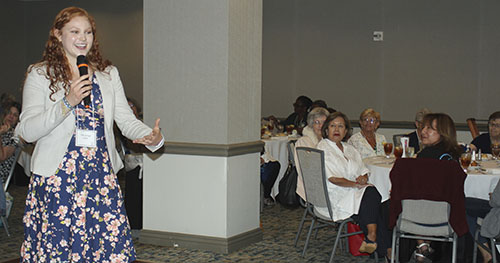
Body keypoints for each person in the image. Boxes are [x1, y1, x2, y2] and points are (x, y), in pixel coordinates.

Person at [15, 7, 164, 262]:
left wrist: (151, 137)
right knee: (59, 252)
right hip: (57, 180)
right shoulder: (40, 74)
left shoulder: (108, 74)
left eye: (88, 32)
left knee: (106, 251)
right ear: (57, 34)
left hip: (100, 178)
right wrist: (67, 102)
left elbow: (126, 120)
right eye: (74, 31)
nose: (83, 37)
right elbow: (26, 131)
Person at [316, 112, 391, 258]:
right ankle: (379, 243)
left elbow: (362, 169)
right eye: (333, 126)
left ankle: (376, 241)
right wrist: (356, 185)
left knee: (375, 202)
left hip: (353, 191)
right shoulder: (323, 147)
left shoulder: (349, 148)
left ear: (345, 131)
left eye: (341, 126)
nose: (336, 130)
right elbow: (334, 179)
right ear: (326, 130)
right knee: (373, 196)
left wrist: (363, 177)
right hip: (336, 194)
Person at [412, 113, 463, 262]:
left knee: (385, 206)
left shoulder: (426, 155)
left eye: (430, 129)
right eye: (423, 127)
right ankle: (423, 246)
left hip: (423, 212)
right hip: (449, 212)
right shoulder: (454, 154)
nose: (423, 132)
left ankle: (414, 247)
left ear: (443, 132)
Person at [293, 107, 329, 200]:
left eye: (324, 122)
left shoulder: (329, 141)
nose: (321, 125)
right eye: (317, 122)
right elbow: (306, 170)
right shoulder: (303, 142)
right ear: (311, 124)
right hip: (315, 184)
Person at [0, 102, 21, 183]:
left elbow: (1, 157)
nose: (11, 116)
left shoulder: (14, 136)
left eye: (15, 115)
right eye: (9, 113)